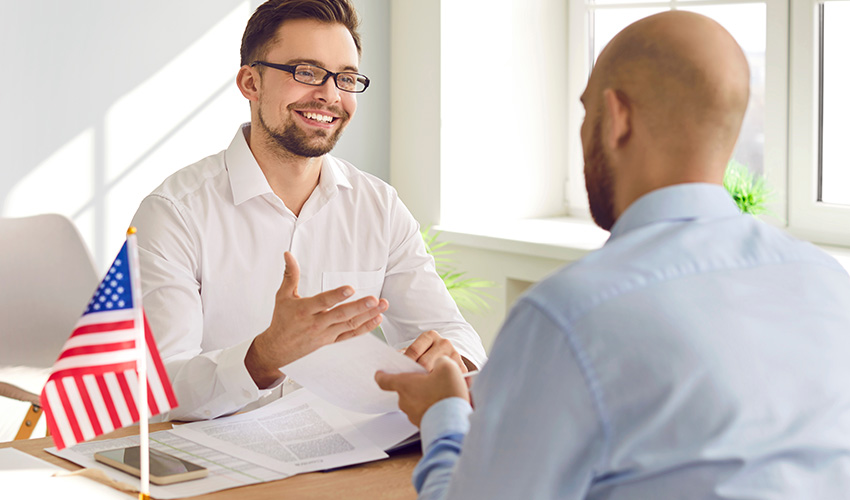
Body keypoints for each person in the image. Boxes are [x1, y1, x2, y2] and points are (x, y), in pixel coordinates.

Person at [376, 11, 850, 499]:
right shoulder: (828, 282)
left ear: (618, 117)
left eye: (587, 114)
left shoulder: (572, 313)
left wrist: (444, 413)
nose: (584, 135)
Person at [131, 0, 486, 422]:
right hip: (218, 464)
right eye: (306, 72)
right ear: (251, 82)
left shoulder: (379, 206)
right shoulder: (174, 213)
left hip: (349, 454)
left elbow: (452, 331)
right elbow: (157, 388)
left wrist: (452, 358)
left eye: (346, 78)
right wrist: (263, 358)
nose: (331, 95)